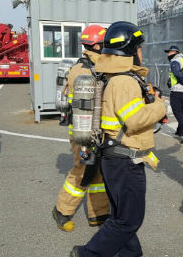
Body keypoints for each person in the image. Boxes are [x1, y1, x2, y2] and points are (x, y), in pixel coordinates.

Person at [71, 21, 166, 257]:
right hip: (125, 161)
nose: (142, 53)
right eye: (140, 48)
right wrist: (160, 107)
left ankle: (130, 254)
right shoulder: (124, 81)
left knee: (120, 216)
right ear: (131, 50)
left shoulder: (109, 76)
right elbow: (135, 120)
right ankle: (87, 254)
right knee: (128, 221)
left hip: (114, 158)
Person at [52, 25, 110, 232]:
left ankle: (99, 213)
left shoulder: (98, 66)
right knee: (82, 169)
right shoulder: (83, 70)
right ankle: (62, 210)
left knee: (99, 173)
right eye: (104, 43)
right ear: (95, 45)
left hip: (97, 129)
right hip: (82, 131)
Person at [165, 45, 183, 144]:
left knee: (177, 112)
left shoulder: (175, 62)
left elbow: (177, 74)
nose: (168, 54)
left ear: (174, 52)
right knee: (181, 111)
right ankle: (180, 130)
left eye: (169, 52)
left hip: (177, 89)